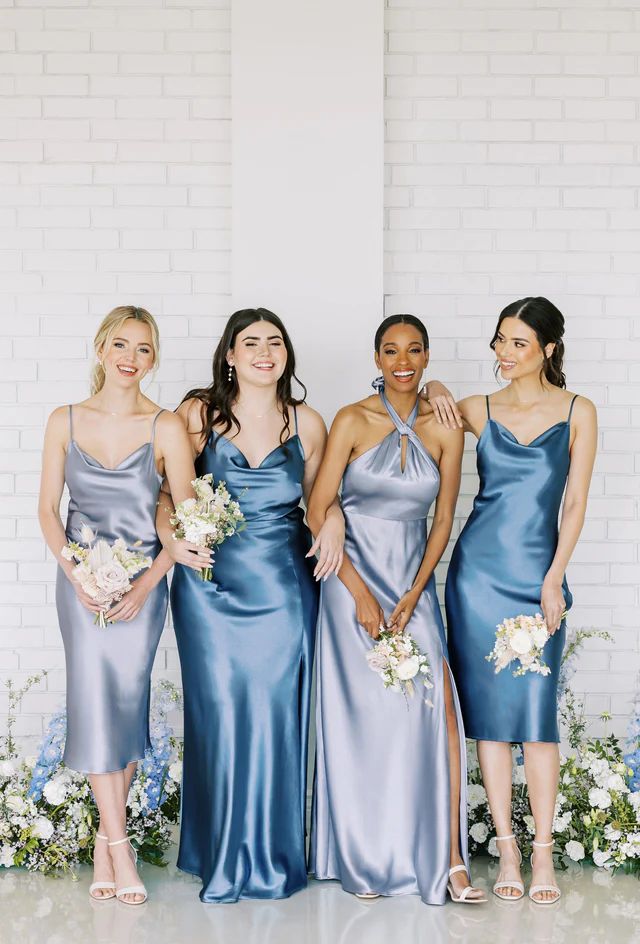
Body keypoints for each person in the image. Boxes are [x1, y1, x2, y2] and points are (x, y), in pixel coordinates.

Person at [157, 307, 344, 903]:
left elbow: (322, 501)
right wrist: (169, 536)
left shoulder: (308, 423)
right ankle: (220, 851)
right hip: (209, 586)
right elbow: (165, 494)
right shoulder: (198, 416)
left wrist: (334, 519)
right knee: (218, 714)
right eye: (251, 342)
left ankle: (273, 854)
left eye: (275, 342)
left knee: (275, 714)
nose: (265, 351)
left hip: (285, 588)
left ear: (286, 354)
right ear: (230, 355)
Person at [308, 315, 485, 906]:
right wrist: (358, 592)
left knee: (436, 713)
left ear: (427, 356)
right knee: (364, 717)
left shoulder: (445, 427)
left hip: (414, 583)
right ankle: (363, 853)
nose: (402, 360)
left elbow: (443, 520)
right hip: (350, 581)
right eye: (391, 350)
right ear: (377, 357)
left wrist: (416, 590)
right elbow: (318, 506)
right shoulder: (352, 419)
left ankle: (450, 858)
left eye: (414, 351)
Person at [441, 297, 597, 904]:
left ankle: (542, 855)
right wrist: (432, 387)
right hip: (477, 576)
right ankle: (505, 847)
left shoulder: (578, 411)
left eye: (518, 344)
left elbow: (575, 502)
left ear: (548, 350)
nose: (503, 354)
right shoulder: (480, 409)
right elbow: (430, 401)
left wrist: (555, 575)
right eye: (500, 341)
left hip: (538, 578)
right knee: (489, 720)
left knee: (535, 718)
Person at [38, 307, 196, 905]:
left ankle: (109, 839)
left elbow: (183, 518)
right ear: (102, 348)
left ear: (153, 358)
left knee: (125, 705)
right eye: (122, 345)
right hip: (81, 588)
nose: (132, 357)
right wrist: (76, 573)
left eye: (145, 349)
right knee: (96, 702)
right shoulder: (64, 419)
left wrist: (146, 582)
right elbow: (47, 511)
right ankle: (119, 847)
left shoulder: (166, 427)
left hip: (142, 587)